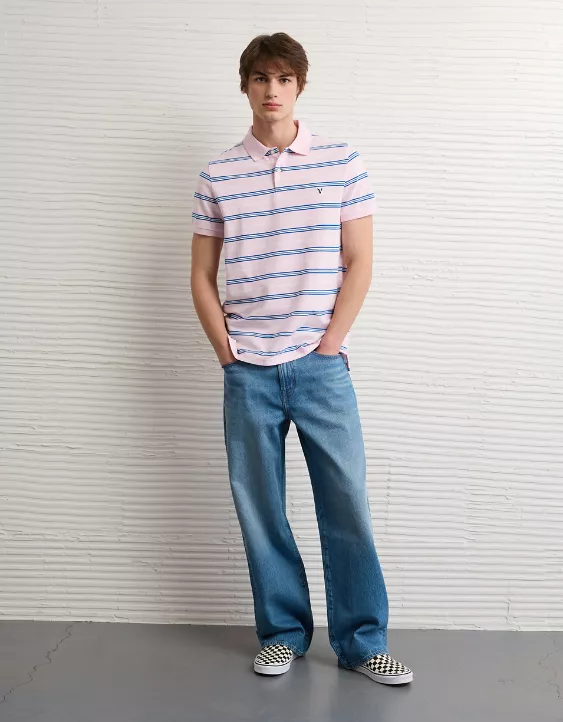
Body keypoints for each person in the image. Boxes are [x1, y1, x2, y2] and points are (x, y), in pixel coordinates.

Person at [190, 32, 413, 686]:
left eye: (283, 78)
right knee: (260, 509)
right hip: (248, 371)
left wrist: (330, 342)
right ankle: (282, 635)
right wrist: (226, 351)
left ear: (299, 86)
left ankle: (361, 642)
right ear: (245, 86)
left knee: (346, 504)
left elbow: (360, 260)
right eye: (260, 78)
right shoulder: (218, 175)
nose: (272, 90)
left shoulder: (342, 162)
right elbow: (201, 274)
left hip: (320, 367)